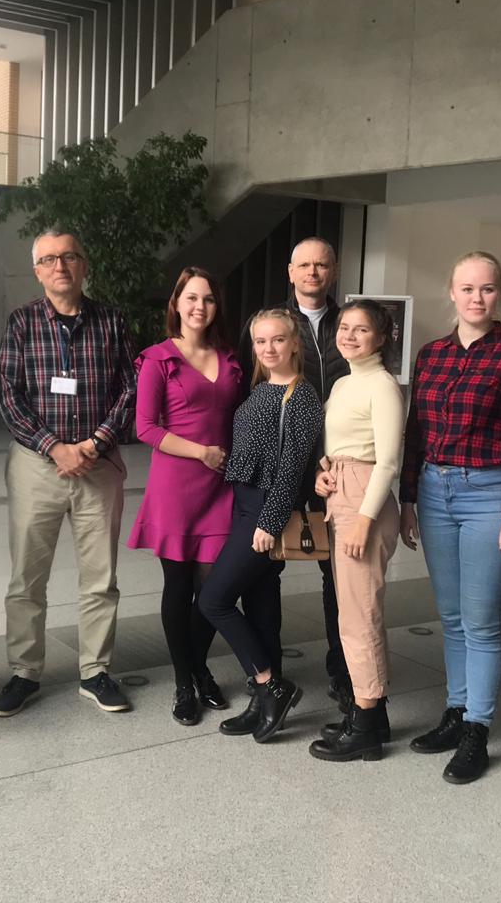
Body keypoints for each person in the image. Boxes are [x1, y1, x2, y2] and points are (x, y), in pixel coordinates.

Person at [399, 250, 501, 784]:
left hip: (489, 493)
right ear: (451, 292)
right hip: (434, 491)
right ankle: (456, 712)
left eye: (486, 288)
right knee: (452, 616)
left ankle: (477, 729)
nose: (476, 298)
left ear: (498, 293)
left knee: (480, 620)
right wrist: (408, 499)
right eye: (467, 288)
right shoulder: (431, 355)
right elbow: (416, 431)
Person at [0, 229, 137, 716]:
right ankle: (24, 672)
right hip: (37, 465)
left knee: (100, 577)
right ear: (37, 270)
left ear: (84, 265)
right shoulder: (22, 322)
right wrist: (53, 446)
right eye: (50, 259)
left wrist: (95, 442)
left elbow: (130, 388)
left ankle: (95, 671)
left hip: (98, 465)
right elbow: (9, 395)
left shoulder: (112, 321)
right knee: (26, 578)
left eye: (70, 256)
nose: (60, 266)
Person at [237, 237, 351, 708]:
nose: (312, 272)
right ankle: (270, 677)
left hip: (333, 468)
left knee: (338, 575)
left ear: (333, 269)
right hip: (279, 467)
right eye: (304, 264)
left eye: (321, 264)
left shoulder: (350, 324)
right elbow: (253, 391)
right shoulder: (272, 324)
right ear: (290, 271)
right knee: (265, 573)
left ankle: (344, 673)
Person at [199, 308, 323, 743]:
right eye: (260, 341)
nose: (269, 348)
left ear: (294, 343)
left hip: (265, 511)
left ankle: (272, 685)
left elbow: (292, 468)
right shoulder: (261, 388)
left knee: (213, 599)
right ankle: (263, 700)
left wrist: (270, 520)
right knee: (261, 605)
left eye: (277, 339)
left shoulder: (301, 396)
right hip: (244, 503)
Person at [127, 267, 244, 725]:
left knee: (215, 590)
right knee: (178, 586)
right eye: (191, 298)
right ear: (176, 304)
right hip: (176, 486)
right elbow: (145, 427)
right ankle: (185, 682)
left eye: (208, 299)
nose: (200, 307)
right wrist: (202, 452)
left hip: (222, 486)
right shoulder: (158, 359)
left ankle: (197, 666)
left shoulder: (230, 357)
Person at [307, 300, 404, 762]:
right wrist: (323, 471)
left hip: (365, 499)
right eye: (344, 327)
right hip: (342, 492)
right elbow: (340, 442)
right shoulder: (345, 382)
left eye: (361, 329)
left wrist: (364, 519)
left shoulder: (382, 385)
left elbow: (387, 461)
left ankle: (364, 725)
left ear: (381, 337)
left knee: (359, 616)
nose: (348, 335)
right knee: (351, 611)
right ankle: (373, 715)